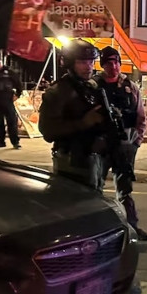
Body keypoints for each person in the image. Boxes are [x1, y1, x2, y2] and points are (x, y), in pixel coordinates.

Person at [95, 46, 147, 241]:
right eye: (108, 63)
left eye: (116, 62)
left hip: (125, 145)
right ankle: (97, 231)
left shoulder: (130, 87)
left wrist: (136, 141)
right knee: (95, 189)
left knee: (125, 189)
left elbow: (140, 116)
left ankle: (131, 228)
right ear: (102, 65)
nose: (113, 66)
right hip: (101, 146)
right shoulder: (94, 86)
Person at [38, 40, 115, 190]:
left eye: (91, 61)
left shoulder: (91, 87)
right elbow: (48, 131)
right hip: (71, 162)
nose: (89, 66)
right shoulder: (58, 91)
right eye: (82, 62)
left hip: (95, 159)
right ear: (69, 63)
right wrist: (83, 123)